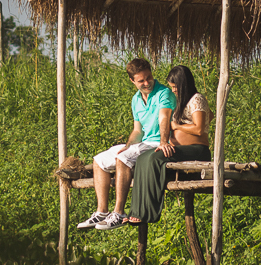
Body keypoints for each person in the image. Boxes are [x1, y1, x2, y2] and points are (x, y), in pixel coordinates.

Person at [77, 58, 176, 231]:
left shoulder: (164, 93)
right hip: (143, 141)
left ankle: (119, 212)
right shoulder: (136, 100)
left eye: (148, 77)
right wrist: (128, 145)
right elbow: (137, 130)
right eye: (141, 81)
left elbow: (164, 118)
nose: (146, 83)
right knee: (99, 160)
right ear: (132, 81)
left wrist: (163, 141)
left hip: (156, 144)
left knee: (123, 158)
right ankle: (102, 212)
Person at [128, 65, 211, 224]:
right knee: (143, 158)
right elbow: (210, 115)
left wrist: (177, 127)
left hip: (197, 150)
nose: (173, 90)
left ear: (183, 84)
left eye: (175, 87)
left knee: (155, 159)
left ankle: (149, 212)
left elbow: (200, 129)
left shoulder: (197, 99)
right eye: (172, 87)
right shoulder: (186, 101)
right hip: (182, 149)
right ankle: (136, 210)